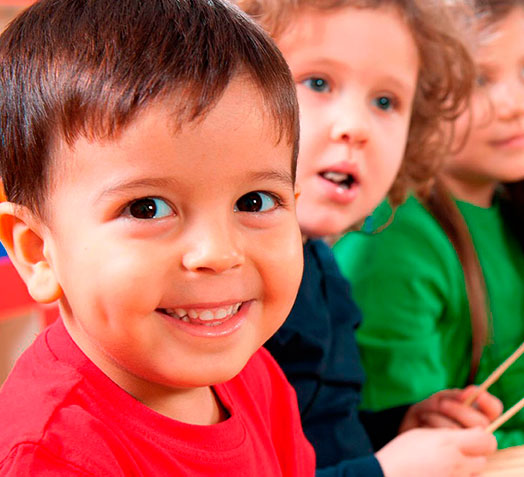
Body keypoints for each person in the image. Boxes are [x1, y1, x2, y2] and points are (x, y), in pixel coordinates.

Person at [0, 0, 315, 474]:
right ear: (38, 252)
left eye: (254, 201)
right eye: (146, 208)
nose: (218, 253)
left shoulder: (255, 374)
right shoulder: (51, 456)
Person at [237, 1, 501, 476]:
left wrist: (400, 428)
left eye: (385, 102)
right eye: (318, 83)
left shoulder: (321, 268)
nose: (355, 128)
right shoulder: (220, 290)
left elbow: (323, 434)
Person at [334, 0, 524, 451]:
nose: (513, 104)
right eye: (478, 80)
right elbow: (410, 440)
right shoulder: (392, 237)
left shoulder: (505, 204)